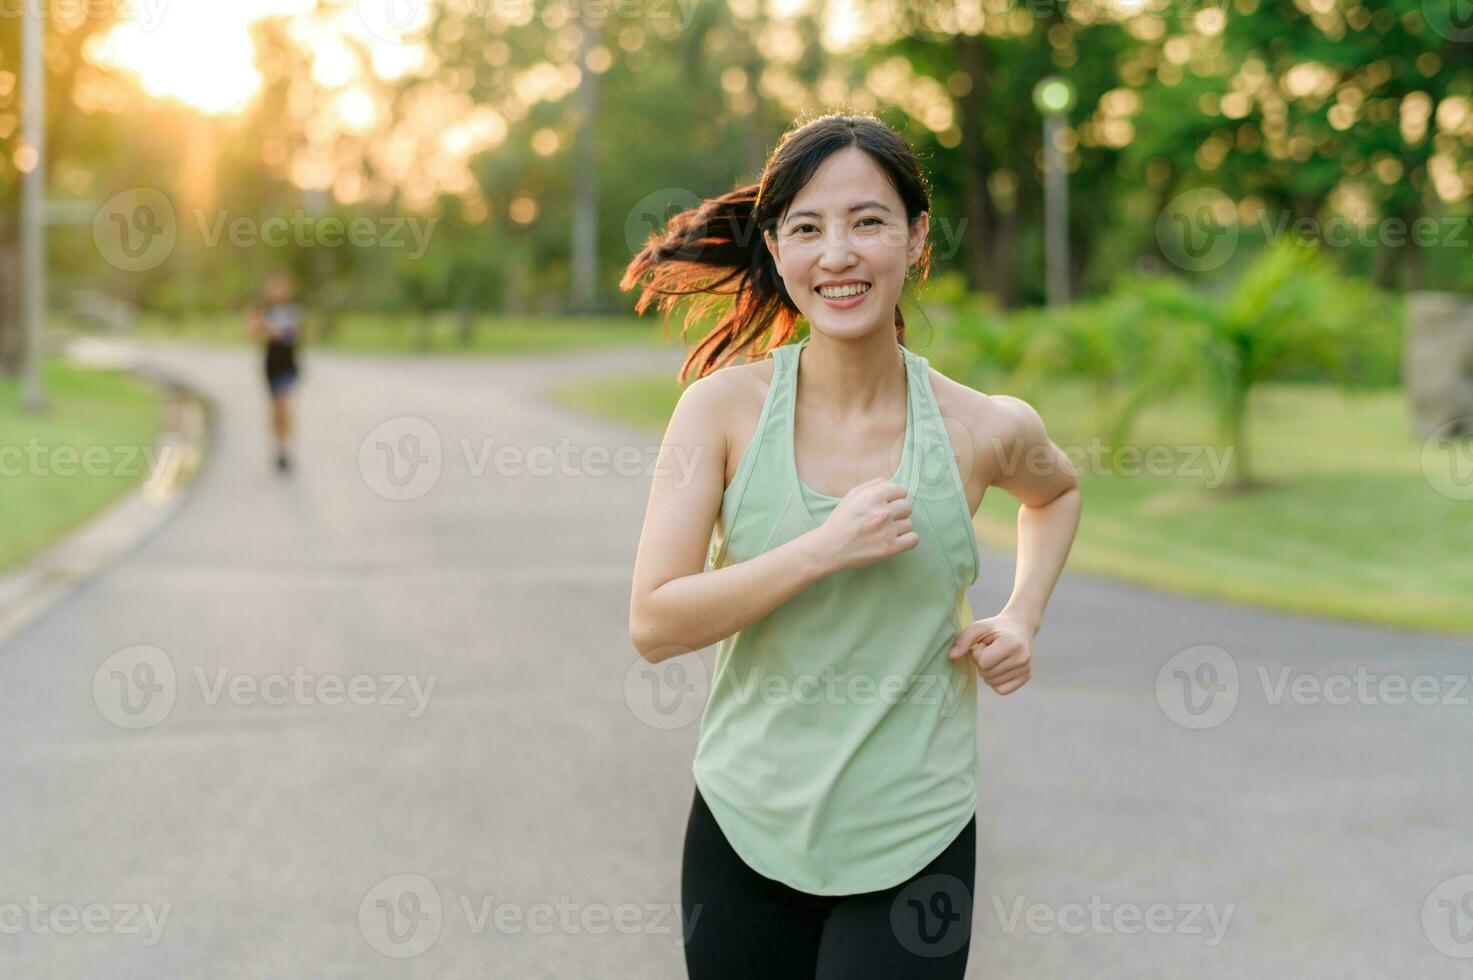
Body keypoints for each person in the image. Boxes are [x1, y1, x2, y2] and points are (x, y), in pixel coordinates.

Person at [622, 112, 1082, 978]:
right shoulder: (720, 413)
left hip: (914, 833)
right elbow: (654, 622)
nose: (837, 254)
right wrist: (821, 548)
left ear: (915, 240)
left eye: (867, 221)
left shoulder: (983, 426)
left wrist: (1021, 617)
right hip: (745, 823)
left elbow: (1054, 494)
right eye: (807, 227)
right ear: (778, 249)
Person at [247, 272, 306, 473]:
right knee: (274, 409)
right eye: (275, 288)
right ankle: (279, 445)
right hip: (271, 365)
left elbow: (295, 334)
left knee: (283, 403)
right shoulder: (263, 310)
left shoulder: (293, 310)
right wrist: (265, 327)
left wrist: (276, 332)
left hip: (288, 365)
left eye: (283, 287)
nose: (279, 292)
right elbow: (252, 330)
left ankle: (285, 447)